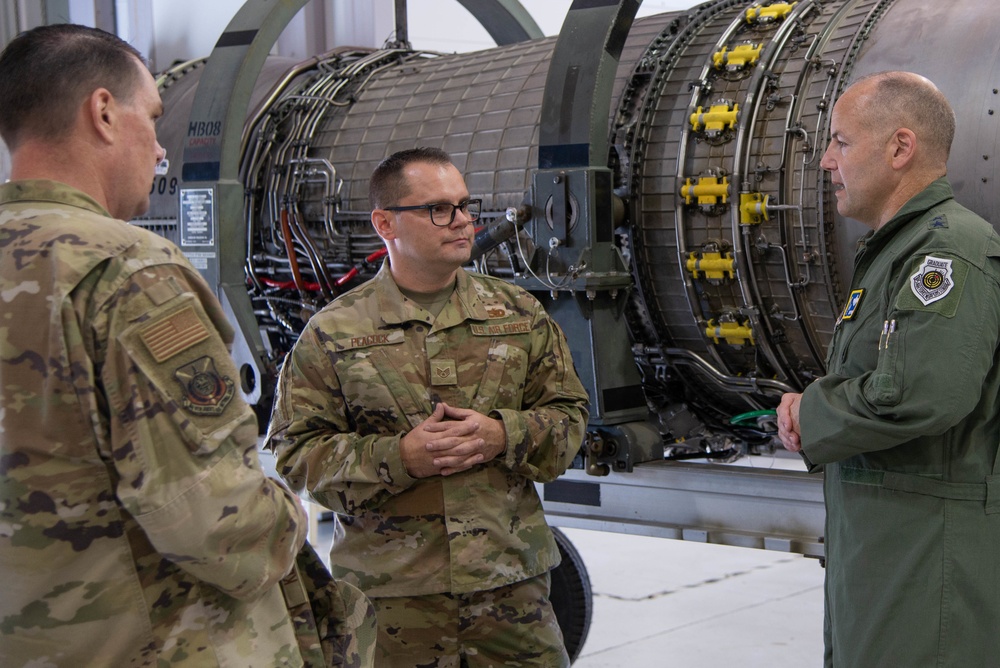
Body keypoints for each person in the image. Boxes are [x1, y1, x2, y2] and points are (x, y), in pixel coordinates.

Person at [0, 24, 374, 667]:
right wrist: (293, 513)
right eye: (152, 118)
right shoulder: (127, 272)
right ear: (103, 112)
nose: (160, 150)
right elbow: (215, 523)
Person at [266, 146, 591, 667]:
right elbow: (295, 455)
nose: (462, 221)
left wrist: (501, 435)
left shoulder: (517, 313)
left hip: (510, 590)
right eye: (439, 209)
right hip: (390, 599)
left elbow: (570, 419)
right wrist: (399, 457)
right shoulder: (334, 332)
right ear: (385, 223)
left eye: (465, 205)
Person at [777, 71, 1000, 666]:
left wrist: (811, 410)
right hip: (887, 551)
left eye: (842, 143)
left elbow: (920, 394)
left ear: (901, 148)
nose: (826, 161)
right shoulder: (897, 250)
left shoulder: (945, 252)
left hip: (927, 564)